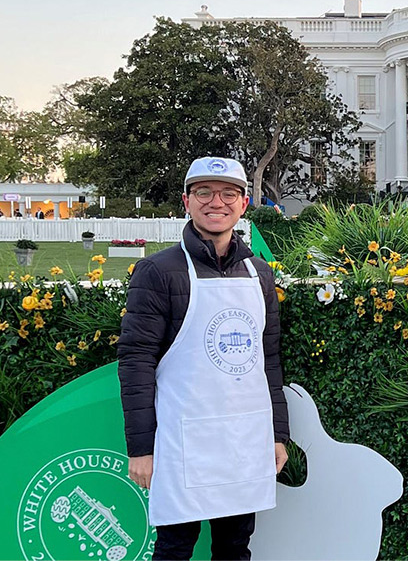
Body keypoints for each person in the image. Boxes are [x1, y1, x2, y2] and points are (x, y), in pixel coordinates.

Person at [118, 157, 289, 560]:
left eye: (229, 193)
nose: (217, 202)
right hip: (182, 443)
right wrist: (140, 448)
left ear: (244, 203)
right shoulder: (158, 272)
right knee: (175, 549)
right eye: (204, 192)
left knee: (235, 548)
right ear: (187, 201)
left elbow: (268, 360)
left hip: (244, 441)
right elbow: (136, 363)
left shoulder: (259, 274)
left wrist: (277, 434)